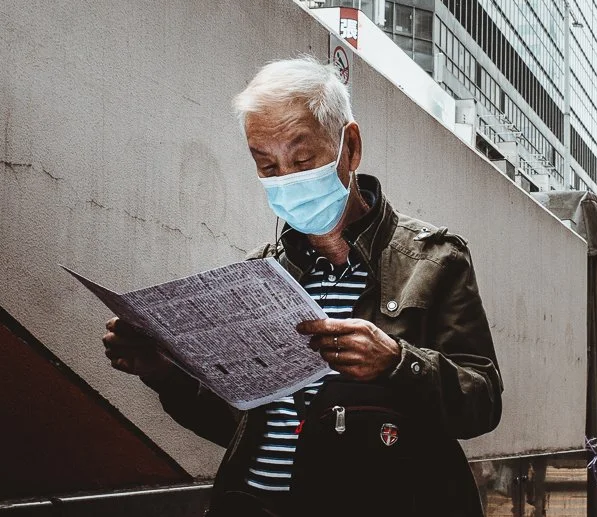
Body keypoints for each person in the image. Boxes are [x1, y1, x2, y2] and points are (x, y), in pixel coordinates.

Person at [101, 56, 502, 517]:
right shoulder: (260, 275)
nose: (287, 179)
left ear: (349, 148)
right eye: (267, 165)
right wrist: (161, 372)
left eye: (303, 158)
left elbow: (482, 400)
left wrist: (397, 362)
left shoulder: (433, 261)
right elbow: (235, 423)